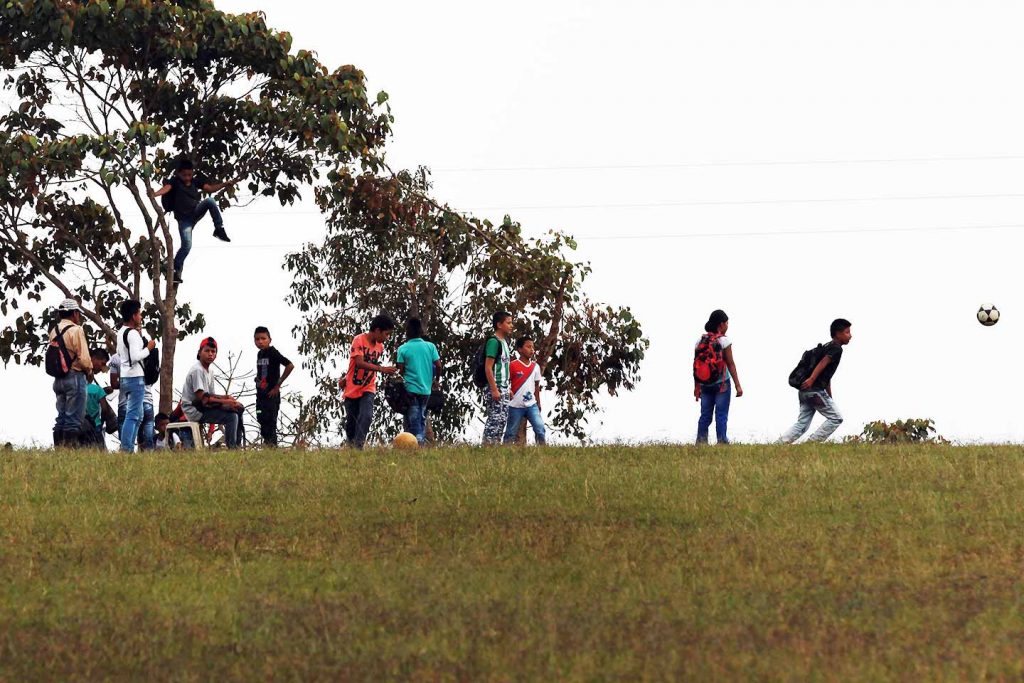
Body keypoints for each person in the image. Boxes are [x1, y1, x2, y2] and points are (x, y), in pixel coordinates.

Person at [152, 159, 239, 284]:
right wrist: (154, 194)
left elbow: (210, 189)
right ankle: (174, 272)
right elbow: (166, 188)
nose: (187, 178)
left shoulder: (194, 181)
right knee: (187, 245)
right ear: (179, 174)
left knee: (210, 201)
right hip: (184, 220)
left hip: (195, 212)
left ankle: (219, 229)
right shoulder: (175, 182)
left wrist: (225, 184)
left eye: (189, 175)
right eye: (184, 175)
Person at [777, 319, 853, 444]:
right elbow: (824, 363)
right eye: (847, 332)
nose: (850, 336)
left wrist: (829, 396)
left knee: (802, 424)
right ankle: (811, 444)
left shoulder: (826, 346)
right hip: (814, 390)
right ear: (837, 334)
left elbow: (827, 376)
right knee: (836, 418)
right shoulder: (836, 349)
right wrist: (812, 379)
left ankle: (778, 445)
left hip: (805, 390)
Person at [341, 314, 397, 449]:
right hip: (352, 387)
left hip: (368, 387)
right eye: (386, 334)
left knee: (366, 415)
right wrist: (381, 369)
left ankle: (359, 446)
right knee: (351, 422)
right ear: (377, 330)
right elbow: (359, 363)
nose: (387, 338)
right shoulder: (358, 340)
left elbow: (371, 363)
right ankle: (351, 446)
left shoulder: (380, 347)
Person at [181, 337, 245, 449]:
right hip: (194, 409)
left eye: (213, 351)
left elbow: (210, 396)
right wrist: (226, 401)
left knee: (238, 408)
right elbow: (203, 398)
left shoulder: (210, 371)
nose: (210, 354)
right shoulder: (197, 370)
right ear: (200, 353)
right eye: (207, 351)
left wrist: (227, 398)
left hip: (203, 406)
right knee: (231, 417)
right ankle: (232, 448)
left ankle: (238, 445)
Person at [48, 298, 94, 447]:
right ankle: (69, 451)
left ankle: (59, 450)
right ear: (74, 313)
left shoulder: (53, 331)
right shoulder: (76, 330)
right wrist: (90, 371)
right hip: (75, 376)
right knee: (74, 419)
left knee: (61, 417)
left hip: (59, 378)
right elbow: (84, 358)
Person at [693, 309, 743, 445]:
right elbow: (731, 364)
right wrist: (738, 385)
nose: (728, 325)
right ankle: (722, 442)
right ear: (721, 325)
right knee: (721, 415)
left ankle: (701, 442)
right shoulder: (724, 341)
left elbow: (696, 365)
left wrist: (696, 387)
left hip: (704, 384)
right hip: (722, 384)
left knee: (705, 415)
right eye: (727, 323)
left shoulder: (699, 341)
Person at [115, 300, 156, 453]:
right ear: (133, 316)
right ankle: (126, 448)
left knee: (137, 415)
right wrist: (149, 348)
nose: (140, 316)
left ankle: (129, 446)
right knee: (133, 415)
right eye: (139, 313)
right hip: (135, 377)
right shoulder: (132, 333)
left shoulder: (121, 332)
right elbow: (136, 356)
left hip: (125, 376)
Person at [396, 318, 441, 445]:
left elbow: (400, 370)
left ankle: (418, 444)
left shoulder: (403, 349)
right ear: (420, 331)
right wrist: (436, 380)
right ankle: (416, 442)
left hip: (410, 389)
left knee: (413, 418)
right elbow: (438, 366)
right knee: (421, 416)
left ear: (407, 332)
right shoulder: (430, 346)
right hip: (426, 390)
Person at [254, 326, 295, 447]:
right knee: (261, 419)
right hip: (260, 395)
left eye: (263, 338)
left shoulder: (273, 352)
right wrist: (258, 380)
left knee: (270, 422)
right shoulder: (260, 354)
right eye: (257, 339)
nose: (260, 341)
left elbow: (289, 365)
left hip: (271, 396)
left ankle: (272, 448)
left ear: (269, 340)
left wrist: (278, 385)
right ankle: (267, 447)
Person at [503, 336, 546, 445]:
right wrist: (507, 390)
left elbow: (536, 386)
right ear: (520, 349)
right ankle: (503, 452)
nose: (532, 349)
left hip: (531, 404)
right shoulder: (512, 365)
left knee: (540, 428)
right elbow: (504, 380)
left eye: (533, 347)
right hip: (515, 405)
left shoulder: (535, 367)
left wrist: (538, 403)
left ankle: (543, 450)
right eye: (528, 347)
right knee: (510, 432)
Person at [109, 352, 156, 450]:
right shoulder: (145, 354)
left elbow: (114, 384)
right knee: (147, 440)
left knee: (126, 441)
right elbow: (153, 377)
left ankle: (127, 456)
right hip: (146, 400)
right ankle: (149, 460)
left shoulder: (116, 358)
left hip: (126, 401)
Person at [482, 311, 514, 445]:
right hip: (495, 386)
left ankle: (496, 446)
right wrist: (494, 389)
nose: (511, 325)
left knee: (502, 419)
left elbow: (504, 367)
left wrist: (508, 389)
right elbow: (488, 367)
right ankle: (487, 446)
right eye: (508, 323)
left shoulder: (505, 342)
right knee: (494, 419)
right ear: (499, 325)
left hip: (504, 387)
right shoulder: (493, 342)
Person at [82, 347, 115, 449]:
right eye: (102, 364)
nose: (102, 369)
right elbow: (104, 409)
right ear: (94, 358)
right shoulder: (82, 371)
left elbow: (86, 392)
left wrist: (102, 391)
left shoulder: (89, 378)